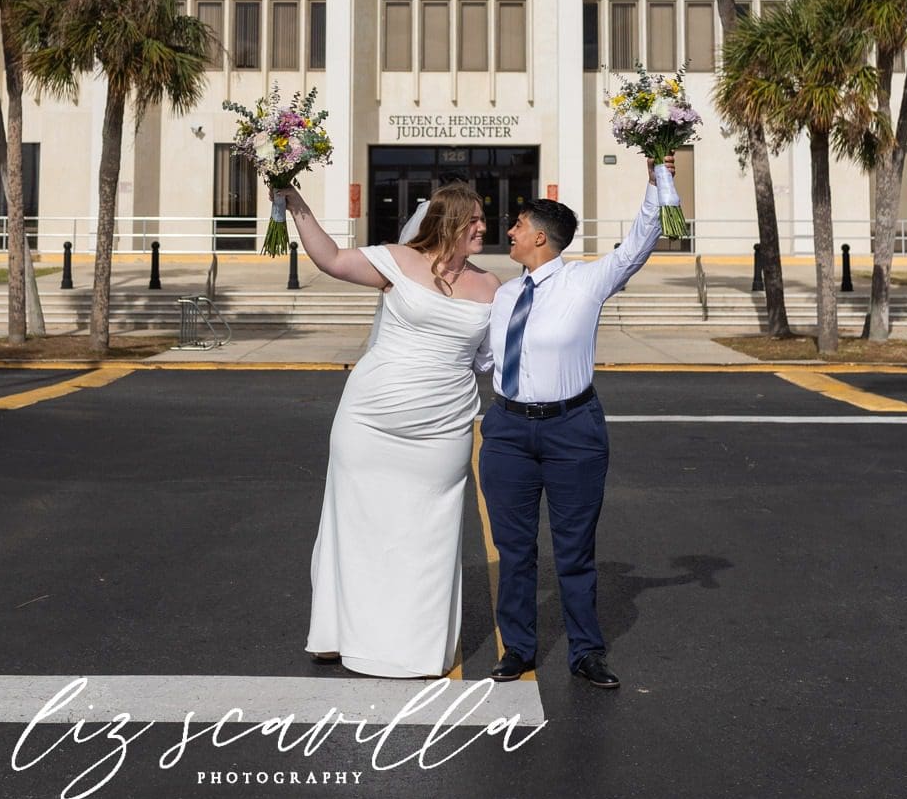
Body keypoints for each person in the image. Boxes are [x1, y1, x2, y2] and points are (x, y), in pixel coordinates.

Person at [273, 180, 499, 678]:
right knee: (354, 526)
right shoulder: (395, 261)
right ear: (450, 223)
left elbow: (492, 359)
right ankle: (338, 634)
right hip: (369, 420)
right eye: (476, 220)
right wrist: (296, 202)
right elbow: (330, 259)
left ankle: (413, 649)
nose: (485, 227)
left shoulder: (491, 286)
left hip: (442, 428)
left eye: (484, 219)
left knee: (428, 533)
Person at [477, 156, 675, 690]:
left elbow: (637, 244)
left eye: (517, 225)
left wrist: (659, 180)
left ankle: (586, 651)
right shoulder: (503, 294)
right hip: (508, 433)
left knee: (574, 551)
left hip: (572, 431)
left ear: (540, 237)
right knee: (514, 550)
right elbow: (487, 359)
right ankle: (517, 648)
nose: (510, 232)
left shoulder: (586, 282)